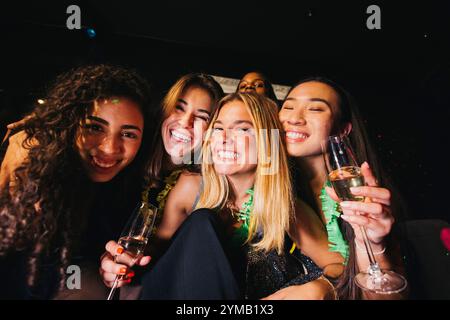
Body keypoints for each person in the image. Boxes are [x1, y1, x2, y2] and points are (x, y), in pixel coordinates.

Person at [101, 92, 342, 299]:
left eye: (243, 129)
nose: (224, 139)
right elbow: (157, 249)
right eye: (218, 129)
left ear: (268, 142)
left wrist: (321, 286)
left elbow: (338, 265)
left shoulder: (285, 209)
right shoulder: (190, 187)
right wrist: (122, 261)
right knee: (203, 218)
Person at [0, 64, 154, 299]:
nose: (109, 148)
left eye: (128, 134)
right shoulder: (31, 162)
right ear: (70, 123)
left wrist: (107, 264)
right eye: (95, 127)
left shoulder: (129, 185)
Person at [279, 76, 408, 299]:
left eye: (315, 109)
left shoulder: (366, 194)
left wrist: (374, 242)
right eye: (288, 106)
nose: (294, 118)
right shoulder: (274, 193)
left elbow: (388, 297)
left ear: (342, 129)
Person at [99, 73, 223, 297]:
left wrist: (123, 261)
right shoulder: (127, 153)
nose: (186, 122)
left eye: (202, 117)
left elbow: (156, 249)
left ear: (211, 131)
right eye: (179, 107)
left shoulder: (196, 184)